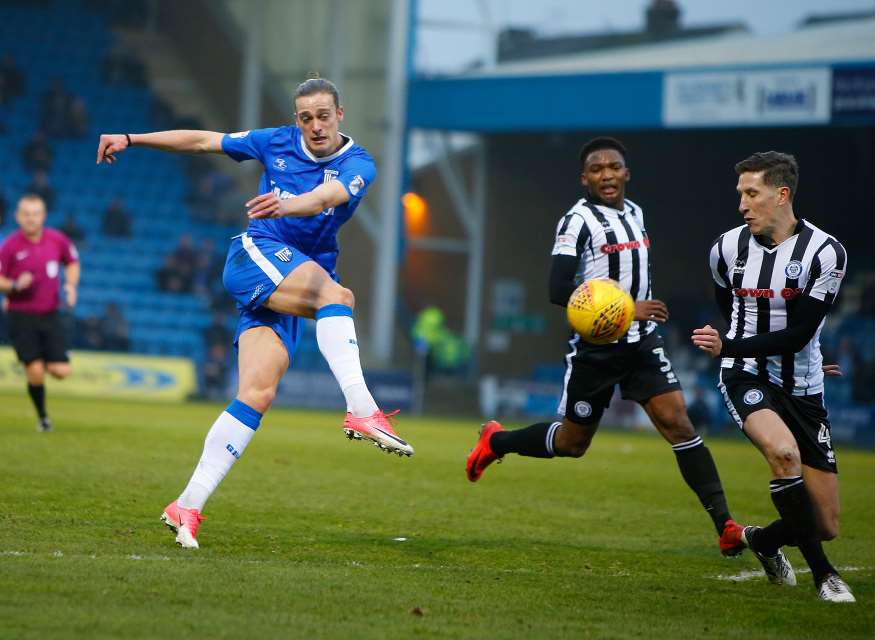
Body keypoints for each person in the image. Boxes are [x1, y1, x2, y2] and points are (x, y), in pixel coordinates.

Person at [96, 77, 414, 550]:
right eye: (305, 117)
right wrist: (132, 138)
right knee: (339, 298)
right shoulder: (274, 142)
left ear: (340, 114)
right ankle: (363, 410)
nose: (315, 126)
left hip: (294, 284)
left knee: (257, 393)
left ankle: (187, 503)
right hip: (257, 255)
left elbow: (327, 199)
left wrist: (288, 203)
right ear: (296, 119)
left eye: (323, 115)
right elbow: (204, 141)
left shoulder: (359, 164)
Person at [467, 137, 745, 556]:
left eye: (613, 167)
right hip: (596, 351)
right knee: (571, 445)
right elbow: (558, 288)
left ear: (626, 173)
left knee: (680, 426)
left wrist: (636, 318)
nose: (606, 175)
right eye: (596, 170)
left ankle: (725, 525)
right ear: (584, 178)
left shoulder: (636, 213)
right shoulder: (576, 221)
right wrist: (629, 309)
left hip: (642, 346)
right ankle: (497, 441)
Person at [692, 151, 855, 603]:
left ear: (782, 195)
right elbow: (734, 311)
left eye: (752, 193)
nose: (742, 204)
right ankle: (825, 576)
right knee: (783, 455)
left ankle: (760, 541)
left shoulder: (825, 253)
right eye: (740, 194)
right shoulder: (725, 249)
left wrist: (734, 344)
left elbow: (800, 331)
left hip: (803, 386)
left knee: (825, 523)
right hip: (744, 376)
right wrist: (735, 353)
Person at [0, 194, 79, 431]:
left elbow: (72, 262)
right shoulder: (9, 246)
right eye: (26, 213)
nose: (31, 218)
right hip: (20, 315)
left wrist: (70, 285)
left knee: (61, 371)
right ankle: (43, 418)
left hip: (50, 314)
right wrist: (14, 285)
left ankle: (38, 357)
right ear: (18, 216)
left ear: (43, 216)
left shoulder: (57, 240)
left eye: (35, 214)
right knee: (34, 371)